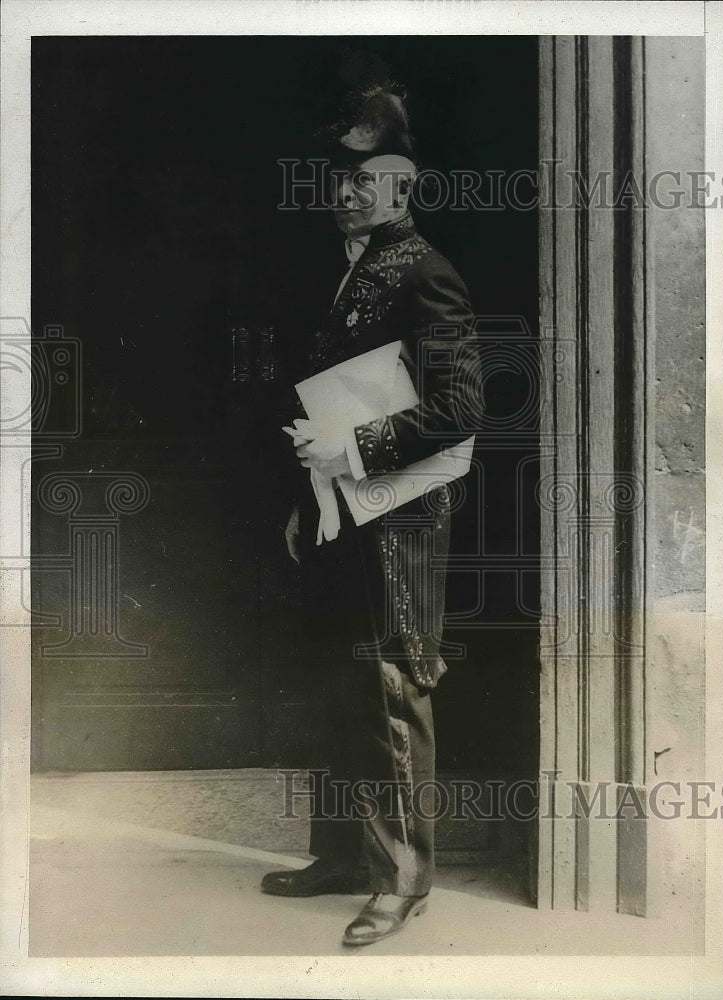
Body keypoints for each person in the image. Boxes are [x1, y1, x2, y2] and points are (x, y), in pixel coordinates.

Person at [261, 78, 482, 946]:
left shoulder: (425, 271)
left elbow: (460, 408)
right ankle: (344, 857)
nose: (345, 193)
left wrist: (349, 456)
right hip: (340, 510)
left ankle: (402, 880)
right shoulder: (350, 269)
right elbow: (334, 402)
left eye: (366, 179)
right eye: (338, 179)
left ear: (404, 186)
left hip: (402, 519)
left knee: (394, 687)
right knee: (335, 680)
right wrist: (306, 495)